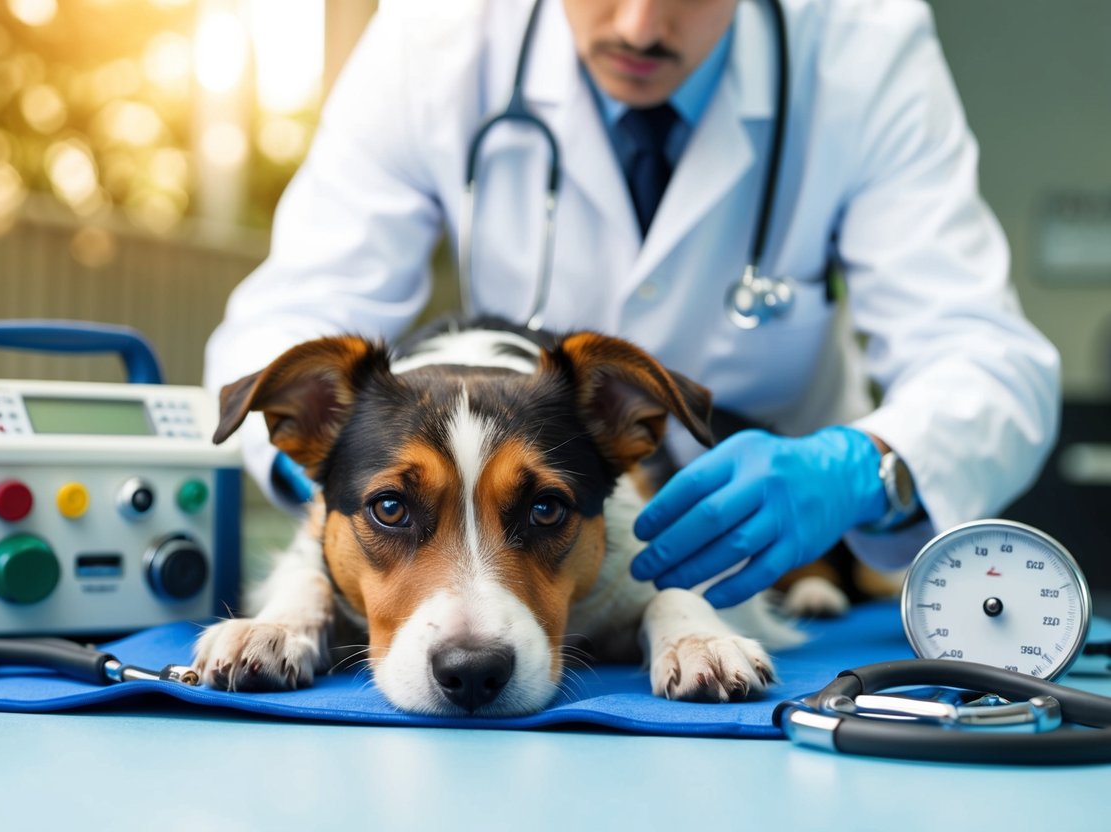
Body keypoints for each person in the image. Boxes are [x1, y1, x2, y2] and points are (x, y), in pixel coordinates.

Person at [205, 0, 1060, 609]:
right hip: (522, 528)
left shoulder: (861, 45)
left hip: (774, 555)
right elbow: (290, 314)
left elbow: (989, 360)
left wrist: (860, 470)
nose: (640, 26)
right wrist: (340, 470)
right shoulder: (436, 36)